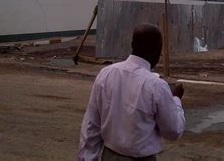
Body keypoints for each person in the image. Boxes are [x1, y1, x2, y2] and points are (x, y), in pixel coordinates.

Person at [78, 24, 185, 160]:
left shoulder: (106, 74)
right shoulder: (157, 86)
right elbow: (173, 131)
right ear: (157, 51)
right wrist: (176, 100)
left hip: (110, 155)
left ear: (132, 44)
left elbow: (91, 124)